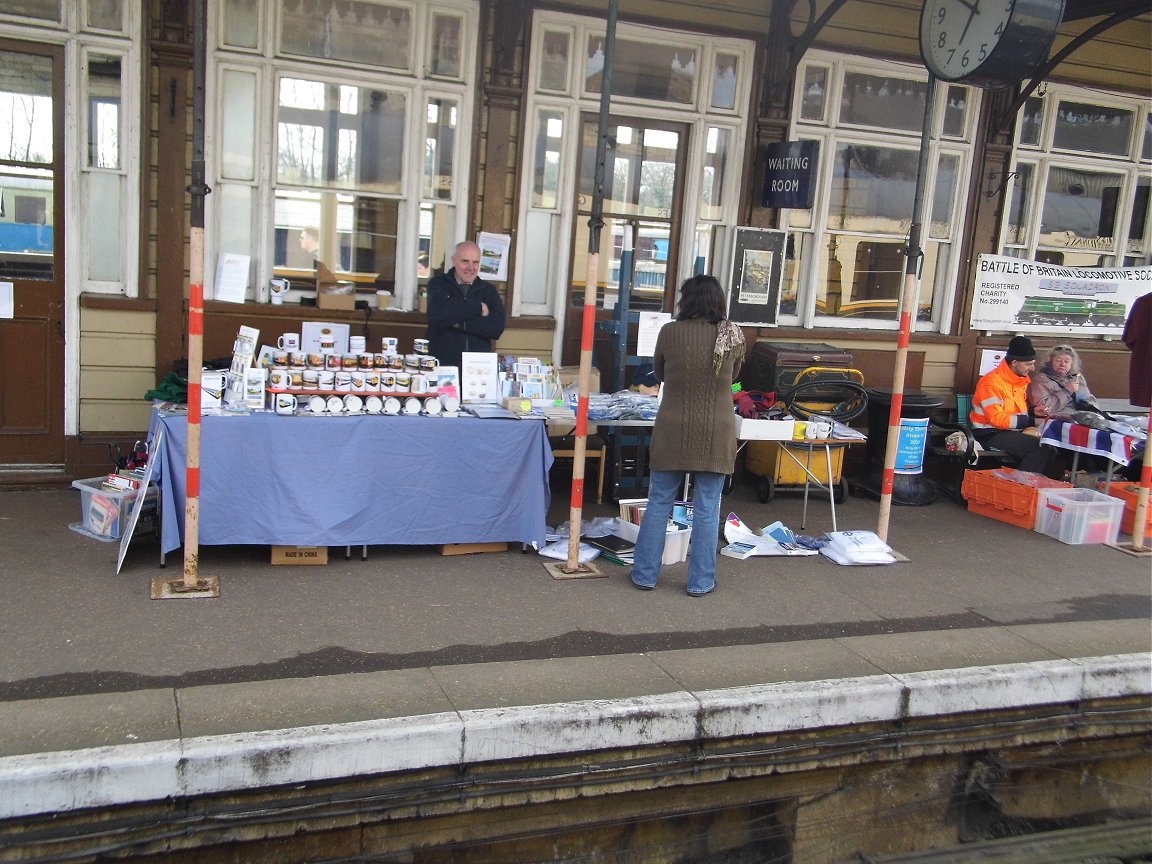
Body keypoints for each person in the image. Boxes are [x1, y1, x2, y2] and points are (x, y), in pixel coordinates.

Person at [629, 274, 745, 597]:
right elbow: (733, 377)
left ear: (687, 301)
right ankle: (700, 581)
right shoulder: (732, 335)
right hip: (716, 431)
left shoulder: (669, 333)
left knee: (658, 502)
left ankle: (644, 575)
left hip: (672, 430)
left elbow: (661, 373)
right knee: (708, 508)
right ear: (718, 301)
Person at [970, 335, 1061, 477]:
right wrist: (1032, 421)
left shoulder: (1019, 380)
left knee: (1052, 447)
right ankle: (1018, 486)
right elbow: (996, 419)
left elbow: (1014, 409)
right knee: (1039, 449)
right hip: (989, 433)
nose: (1032, 368)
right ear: (1014, 362)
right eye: (1028, 364)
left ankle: (1031, 486)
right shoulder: (991, 383)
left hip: (1011, 431)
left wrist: (1033, 412)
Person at [425, 240, 506, 370]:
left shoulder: (488, 290)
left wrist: (458, 324)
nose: (470, 267)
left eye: (475, 262)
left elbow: (496, 328)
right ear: (454, 260)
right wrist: (478, 307)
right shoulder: (438, 284)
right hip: (443, 367)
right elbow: (438, 314)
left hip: (478, 371)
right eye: (465, 261)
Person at [1027, 344, 1100, 420]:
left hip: (1082, 418)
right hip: (1055, 421)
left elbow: (1089, 399)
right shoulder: (1041, 379)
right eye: (1058, 361)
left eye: (1067, 361)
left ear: (1072, 363)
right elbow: (1044, 408)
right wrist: (1066, 391)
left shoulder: (1077, 377)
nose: (1062, 364)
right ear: (1050, 362)